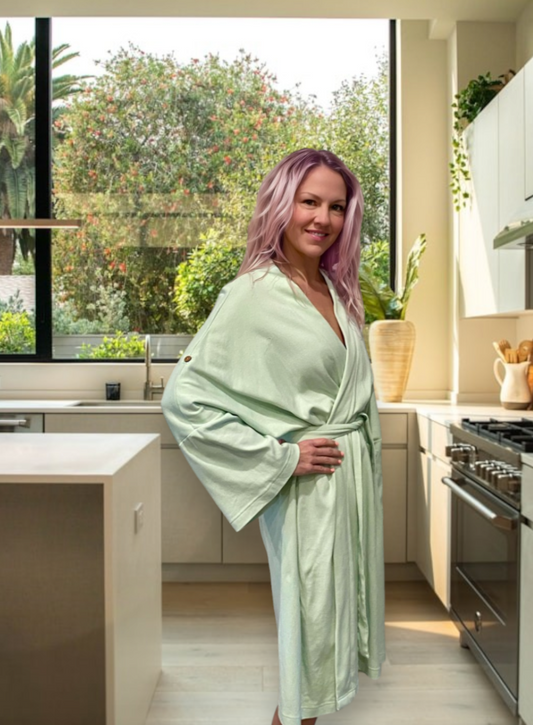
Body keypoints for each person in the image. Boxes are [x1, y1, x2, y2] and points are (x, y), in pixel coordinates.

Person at [161, 148, 385, 725]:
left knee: (327, 627)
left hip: (347, 483)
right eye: (309, 202)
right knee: (310, 634)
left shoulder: (333, 288)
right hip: (309, 491)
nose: (323, 218)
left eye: (337, 206)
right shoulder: (254, 294)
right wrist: (281, 457)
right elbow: (185, 398)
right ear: (282, 205)